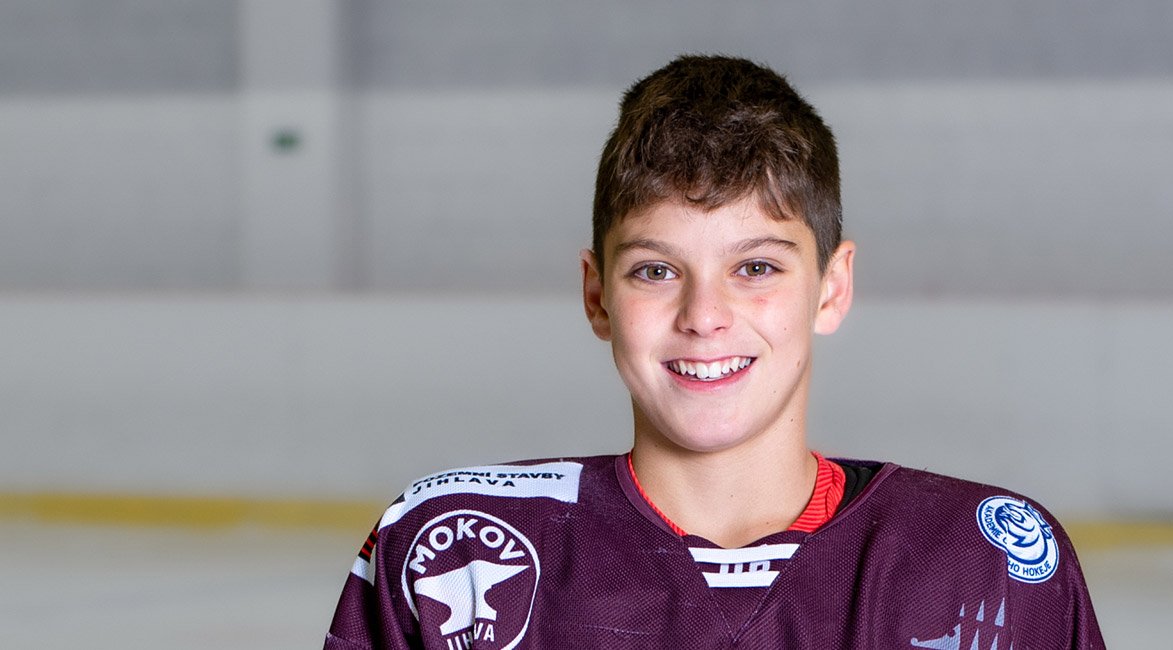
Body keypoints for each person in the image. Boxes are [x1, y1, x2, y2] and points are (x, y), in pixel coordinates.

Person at [324, 54, 1105, 649]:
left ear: (832, 288)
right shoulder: (446, 549)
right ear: (597, 295)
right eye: (656, 271)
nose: (704, 317)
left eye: (756, 268)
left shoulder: (988, 562)